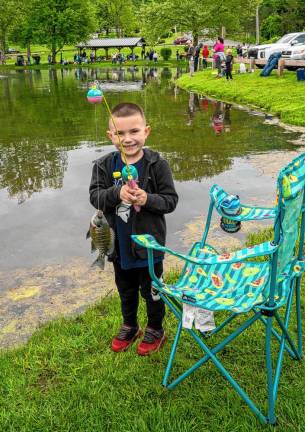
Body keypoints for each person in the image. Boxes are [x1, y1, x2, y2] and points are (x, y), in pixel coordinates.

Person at [89, 102, 178, 355]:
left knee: (153, 292)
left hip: (149, 248)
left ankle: (155, 329)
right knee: (125, 289)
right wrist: (118, 193)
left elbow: (170, 201)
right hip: (118, 247)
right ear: (110, 136)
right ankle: (130, 325)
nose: (128, 139)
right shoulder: (103, 165)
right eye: (120, 133)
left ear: (146, 131)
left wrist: (146, 199)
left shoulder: (157, 164)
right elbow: (95, 197)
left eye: (134, 132)